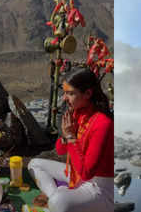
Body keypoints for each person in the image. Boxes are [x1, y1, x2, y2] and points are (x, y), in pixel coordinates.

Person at [28, 68, 114, 212]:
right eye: (64, 92)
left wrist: (71, 137)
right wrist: (64, 134)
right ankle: (56, 196)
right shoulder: (77, 113)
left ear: (87, 94)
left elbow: (87, 173)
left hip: (98, 187)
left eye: (70, 93)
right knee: (34, 164)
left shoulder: (103, 123)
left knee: (60, 203)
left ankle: (60, 198)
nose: (64, 98)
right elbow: (61, 150)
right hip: (76, 174)